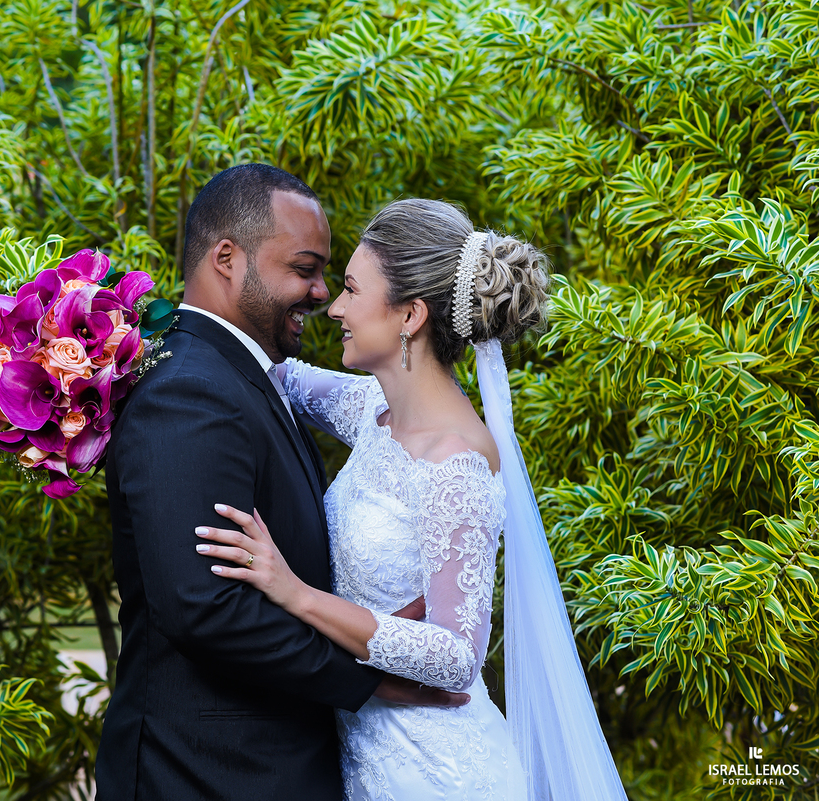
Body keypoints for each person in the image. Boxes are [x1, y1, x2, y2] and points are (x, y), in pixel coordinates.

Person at [198, 198, 630, 800]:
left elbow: (457, 657)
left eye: (351, 290)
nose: (336, 309)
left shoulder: (454, 461)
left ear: (410, 315)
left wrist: (296, 594)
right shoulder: (374, 413)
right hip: (362, 751)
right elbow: (276, 377)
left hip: (434, 768)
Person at [97, 168, 463, 801]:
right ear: (227, 259)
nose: (322, 292)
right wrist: (367, 677)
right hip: (206, 774)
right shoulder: (189, 391)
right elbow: (205, 608)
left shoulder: (246, 375)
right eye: (304, 268)